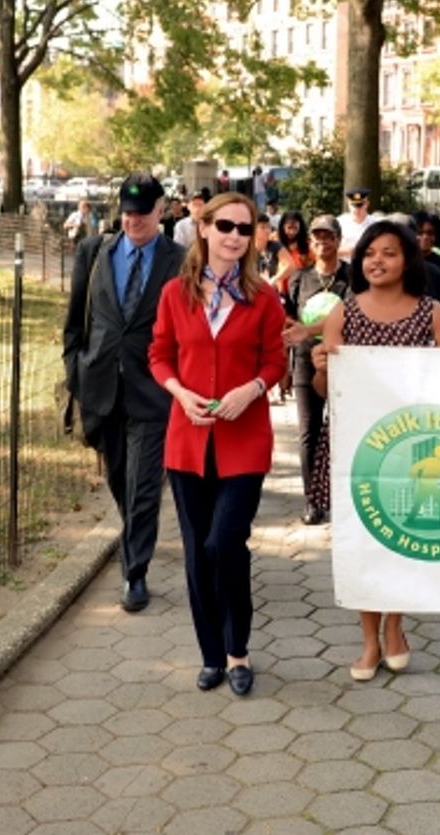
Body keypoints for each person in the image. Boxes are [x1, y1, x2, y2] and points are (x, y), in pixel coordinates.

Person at [148, 192, 286, 697]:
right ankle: (212, 655)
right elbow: (159, 354)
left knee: (225, 542)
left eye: (244, 229)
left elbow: (275, 361)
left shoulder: (264, 297)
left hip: (244, 440)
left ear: (253, 238)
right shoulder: (174, 294)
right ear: (203, 228)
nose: (234, 236)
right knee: (195, 552)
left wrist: (250, 390)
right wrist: (179, 392)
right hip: (188, 441)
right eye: (224, 225)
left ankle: (239, 651)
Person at [312, 220, 440, 680]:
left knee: (402, 540)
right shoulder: (344, 313)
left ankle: (395, 625)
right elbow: (325, 391)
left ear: (408, 259)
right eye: (370, 252)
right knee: (360, 542)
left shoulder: (431, 312)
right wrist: (320, 366)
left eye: (389, 252)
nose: (377, 261)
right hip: (357, 448)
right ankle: (366, 640)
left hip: (415, 448)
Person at [63, 173, 185, 614]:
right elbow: (76, 319)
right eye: (127, 211)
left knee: (143, 484)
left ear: (162, 210)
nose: (133, 219)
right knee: (120, 478)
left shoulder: (180, 260)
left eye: (143, 211)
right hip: (99, 385)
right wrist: (75, 367)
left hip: (153, 391)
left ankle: (135, 572)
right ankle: (136, 530)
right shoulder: (95, 252)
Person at [282, 214, 349, 525]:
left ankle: (342, 496)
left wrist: (310, 330)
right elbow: (289, 321)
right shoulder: (299, 277)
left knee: (341, 430)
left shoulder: (353, 278)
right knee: (308, 432)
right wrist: (286, 362)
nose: (323, 242)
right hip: (306, 362)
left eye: (329, 236)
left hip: (344, 361)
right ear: (310, 242)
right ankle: (313, 500)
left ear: (338, 240)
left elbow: (350, 316)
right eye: (317, 237)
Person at [337, 187, 376, 260]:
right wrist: (347, 251)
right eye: (353, 205)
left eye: (360, 205)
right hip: (345, 267)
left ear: (367, 204)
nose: (357, 209)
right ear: (348, 205)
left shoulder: (375, 224)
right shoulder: (339, 223)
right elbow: (330, 250)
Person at [173, 188, 210, 252]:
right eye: (194, 205)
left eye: (200, 205)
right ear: (188, 206)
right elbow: (178, 249)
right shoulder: (181, 225)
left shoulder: (209, 224)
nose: (198, 208)